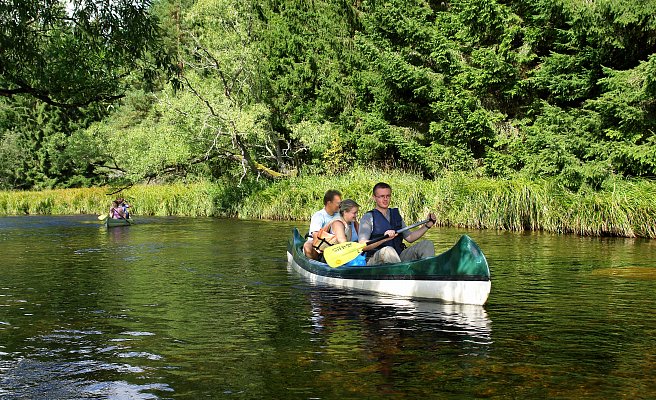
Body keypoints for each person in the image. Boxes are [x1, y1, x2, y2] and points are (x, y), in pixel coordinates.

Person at [358, 182, 436, 265]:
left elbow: (410, 238)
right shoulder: (368, 217)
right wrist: (384, 239)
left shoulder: (395, 215)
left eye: (388, 196)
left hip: (398, 257)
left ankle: (429, 272)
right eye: (381, 196)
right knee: (388, 250)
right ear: (374, 197)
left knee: (427, 244)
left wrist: (427, 225)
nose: (385, 199)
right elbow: (363, 245)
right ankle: (401, 275)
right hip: (376, 259)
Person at [303, 190, 342, 260]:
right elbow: (316, 236)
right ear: (329, 203)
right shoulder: (319, 216)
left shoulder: (340, 215)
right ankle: (315, 263)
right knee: (307, 246)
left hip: (334, 243)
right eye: (338, 203)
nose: (340, 206)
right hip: (318, 243)